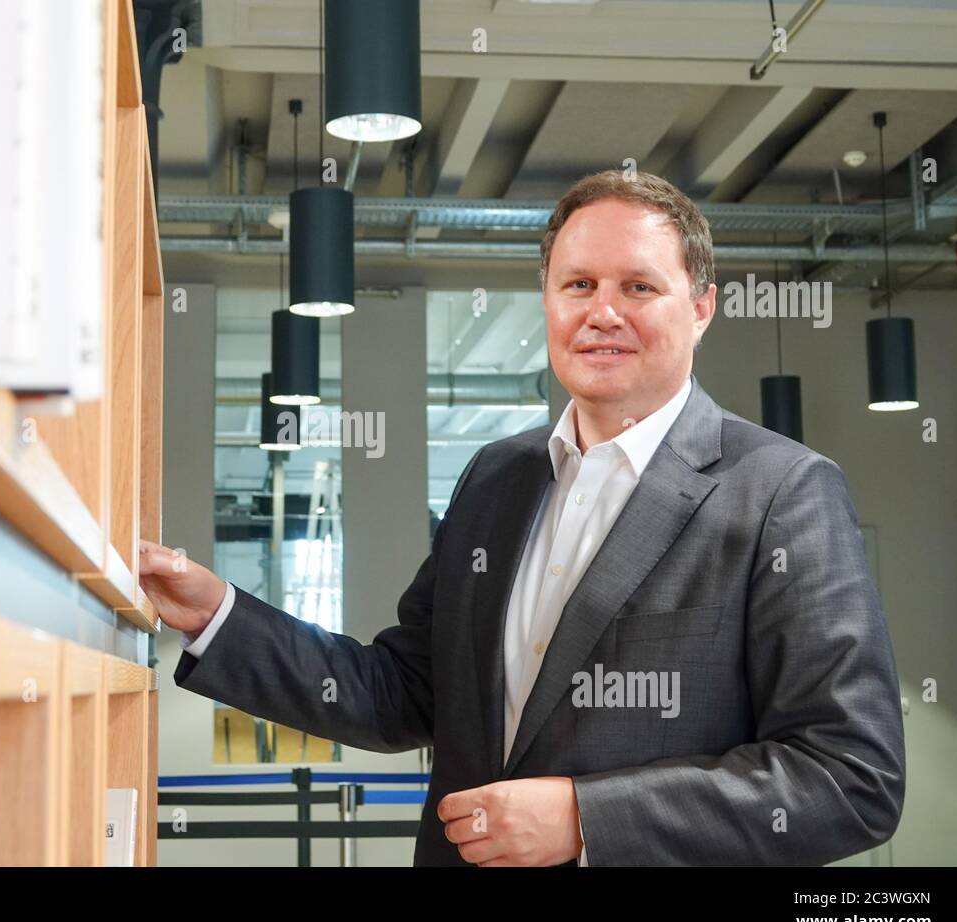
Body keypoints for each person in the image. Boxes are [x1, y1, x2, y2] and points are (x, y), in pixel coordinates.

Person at [140, 170, 905, 866]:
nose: (602, 312)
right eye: (578, 284)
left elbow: (850, 775)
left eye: (638, 287)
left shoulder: (782, 491)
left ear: (702, 307)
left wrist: (586, 820)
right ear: (548, 298)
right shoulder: (497, 477)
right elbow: (404, 691)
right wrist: (219, 617)